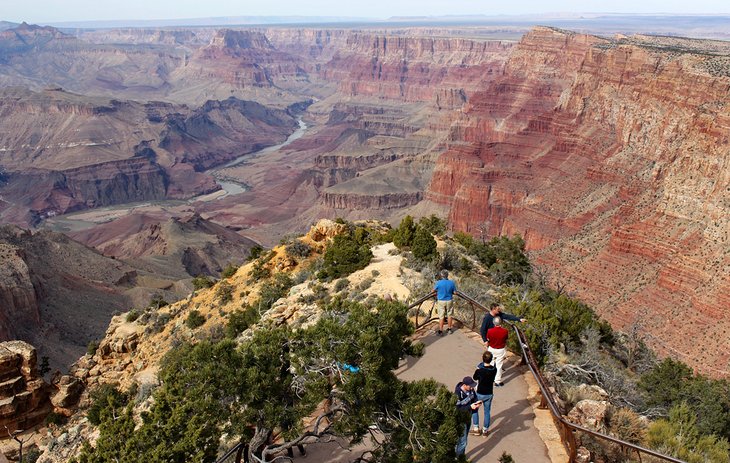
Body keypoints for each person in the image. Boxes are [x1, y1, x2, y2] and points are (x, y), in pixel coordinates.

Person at [454, 376, 481, 456]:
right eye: (470, 385)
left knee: (463, 440)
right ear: (465, 385)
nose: (472, 387)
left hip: (468, 417)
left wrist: (477, 403)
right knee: (463, 442)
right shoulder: (457, 394)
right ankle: (458, 458)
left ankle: (461, 456)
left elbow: (474, 398)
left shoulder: (471, 390)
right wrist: (470, 407)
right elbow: (457, 408)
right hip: (461, 419)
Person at [472, 351, 497, 436]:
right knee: (487, 412)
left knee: (475, 409)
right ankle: (485, 431)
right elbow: (493, 368)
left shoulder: (480, 371)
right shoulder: (494, 370)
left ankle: (476, 428)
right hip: (489, 393)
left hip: (479, 392)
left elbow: (474, 378)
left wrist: (478, 368)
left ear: (483, 359)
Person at [486, 317, 509, 386]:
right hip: (500, 350)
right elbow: (506, 338)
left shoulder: (490, 331)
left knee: (490, 364)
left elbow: (488, 339)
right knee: (499, 366)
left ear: (494, 323)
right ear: (501, 323)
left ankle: (489, 379)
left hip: (491, 348)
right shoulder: (505, 331)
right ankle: (497, 381)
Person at [434, 270, 457, 335]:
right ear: (447, 275)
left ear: (441, 276)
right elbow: (455, 292)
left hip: (441, 301)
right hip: (449, 300)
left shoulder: (438, 283)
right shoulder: (451, 283)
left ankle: (441, 330)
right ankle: (449, 329)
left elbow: (433, 290)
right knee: (450, 315)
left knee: (441, 316)